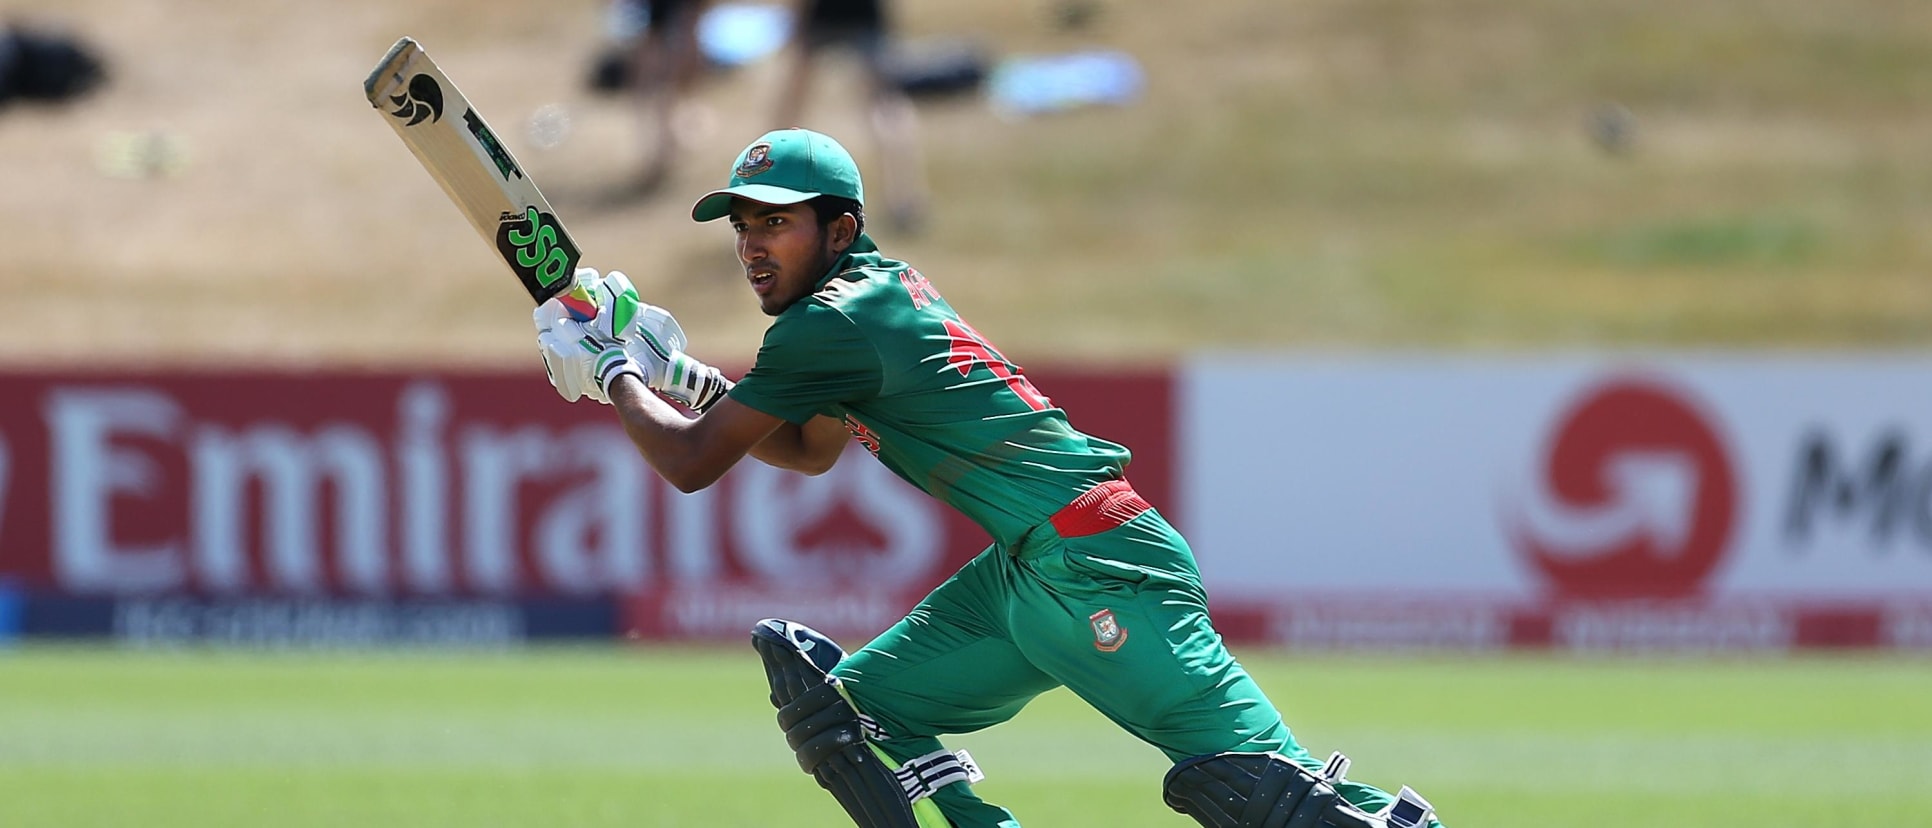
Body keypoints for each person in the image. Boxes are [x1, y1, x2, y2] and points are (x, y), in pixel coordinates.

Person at [531, 128, 1443, 828]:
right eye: (742, 225)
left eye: (775, 221)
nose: (751, 245)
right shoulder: (866, 298)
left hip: (1100, 563)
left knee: (1277, 801)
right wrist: (683, 380)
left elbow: (692, 463)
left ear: (839, 227)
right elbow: (810, 447)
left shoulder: (830, 324)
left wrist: (614, 368)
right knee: (852, 715)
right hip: (1028, 573)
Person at [770, 0, 929, 233]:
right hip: (864, 13)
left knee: (792, 102)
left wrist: (797, 21)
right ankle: (904, 200)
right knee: (885, 106)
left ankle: (768, 181)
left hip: (822, 13)